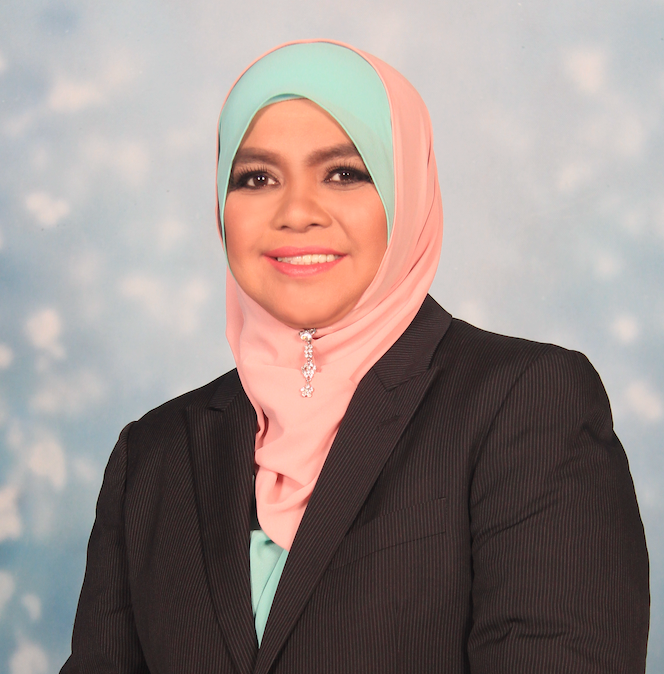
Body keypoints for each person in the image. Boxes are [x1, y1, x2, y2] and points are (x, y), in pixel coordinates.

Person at [60, 40, 649, 674]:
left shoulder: (528, 405)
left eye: (343, 173)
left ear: (407, 191)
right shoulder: (153, 456)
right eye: (257, 178)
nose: (296, 214)